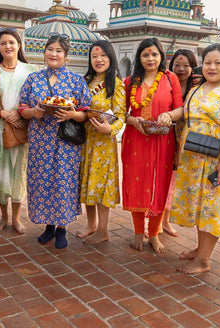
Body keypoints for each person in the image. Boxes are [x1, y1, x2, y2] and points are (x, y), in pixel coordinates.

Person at [171, 43, 220, 274]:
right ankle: (199, 248)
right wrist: (168, 116)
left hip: (218, 160)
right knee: (198, 205)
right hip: (193, 158)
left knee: (212, 209)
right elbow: (185, 113)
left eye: (218, 63)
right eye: (207, 63)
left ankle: (204, 260)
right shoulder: (197, 89)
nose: (212, 67)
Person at [18, 34, 91, 249]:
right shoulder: (33, 79)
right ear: (44, 53)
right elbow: (22, 107)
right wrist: (34, 112)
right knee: (42, 180)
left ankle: (61, 228)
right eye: (50, 49)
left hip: (65, 142)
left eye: (59, 51)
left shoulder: (76, 81)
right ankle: (48, 225)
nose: (53, 54)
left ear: (66, 57)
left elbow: (86, 111)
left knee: (63, 182)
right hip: (40, 140)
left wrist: (72, 115)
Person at [122, 38, 183, 253]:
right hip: (135, 139)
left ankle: (154, 235)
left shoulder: (170, 79)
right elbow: (122, 113)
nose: (151, 58)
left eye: (155, 54)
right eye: (146, 55)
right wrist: (132, 121)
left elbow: (180, 109)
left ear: (161, 56)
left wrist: (168, 114)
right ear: (139, 57)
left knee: (160, 184)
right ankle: (139, 233)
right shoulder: (130, 82)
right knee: (136, 184)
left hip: (162, 140)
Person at [0, 28, 37, 234]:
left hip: (22, 129)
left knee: (18, 173)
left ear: (18, 45)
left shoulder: (30, 70)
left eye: (11, 42)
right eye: (3, 43)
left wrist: (18, 113)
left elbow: (35, 100)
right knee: (1, 173)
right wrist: (6, 115)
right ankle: (4, 216)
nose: (7, 46)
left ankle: (16, 217)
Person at [76, 40, 125, 244]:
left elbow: (121, 115)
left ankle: (103, 230)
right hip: (86, 140)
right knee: (88, 181)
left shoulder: (116, 84)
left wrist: (110, 129)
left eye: (103, 55)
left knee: (102, 185)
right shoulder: (85, 81)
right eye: (94, 56)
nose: (98, 59)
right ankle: (91, 224)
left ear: (111, 57)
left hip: (104, 143)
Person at [162, 49, 198, 237]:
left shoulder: (198, 89)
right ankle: (154, 220)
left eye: (186, 65)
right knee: (162, 180)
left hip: (186, 141)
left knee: (173, 183)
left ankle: (165, 221)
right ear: (171, 66)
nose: (182, 69)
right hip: (165, 137)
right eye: (177, 65)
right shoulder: (165, 85)